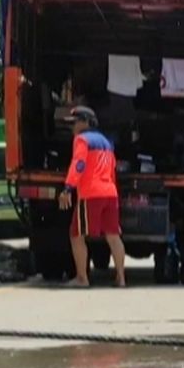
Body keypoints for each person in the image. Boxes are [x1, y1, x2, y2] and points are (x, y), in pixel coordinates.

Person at [58, 106, 126, 287]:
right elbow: (112, 169)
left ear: (86, 122)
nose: (73, 127)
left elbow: (79, 164)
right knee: (113, 236)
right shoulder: (106, 142)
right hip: (110, 192)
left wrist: (67, 188)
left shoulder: (81, 140)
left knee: (76, 234)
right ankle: (121, 278)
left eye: (75, 122)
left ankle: (82, 278)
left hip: (91, 194)